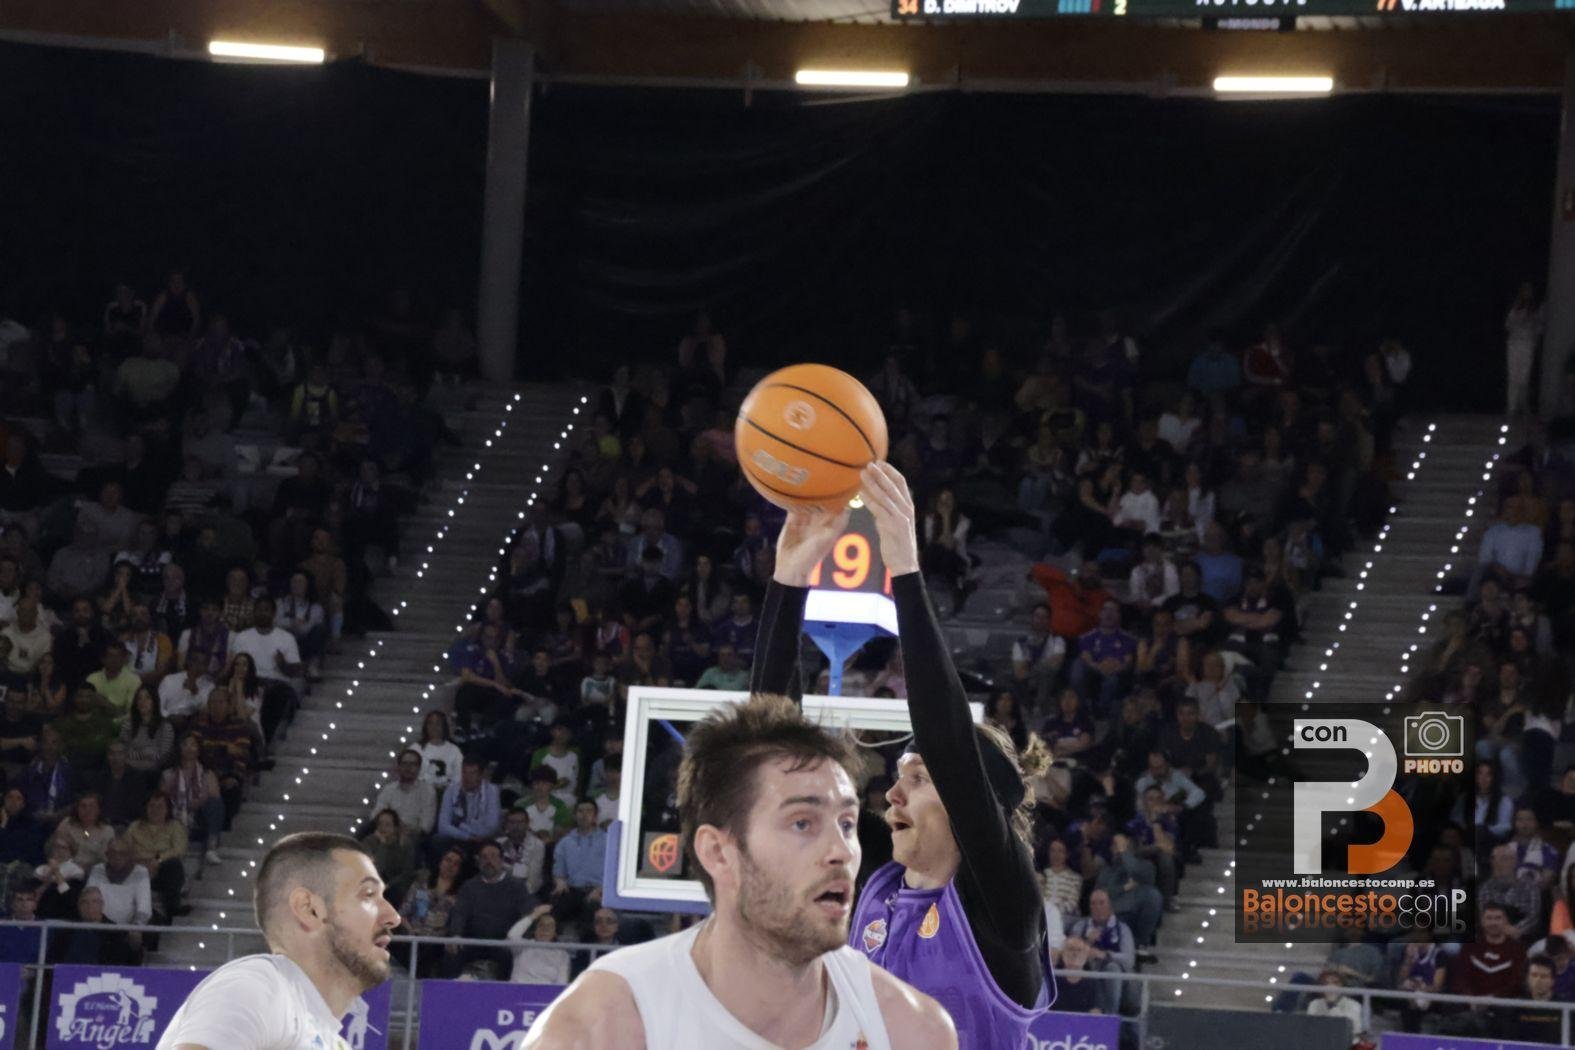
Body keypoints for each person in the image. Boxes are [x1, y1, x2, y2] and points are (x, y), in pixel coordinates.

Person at [762, 464, 1056, 1047]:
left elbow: (948, 744)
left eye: (919, 779)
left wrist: (904, 568)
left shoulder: (1003, 906)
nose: (891, 794)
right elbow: (774, 759)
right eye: (901, 775)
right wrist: (789, 580)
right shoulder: (874, 878)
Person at [524, 692, 956, 1049]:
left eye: (846, 823)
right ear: (717, 852)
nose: (841, 851)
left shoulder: (911, 1030)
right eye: (802, 823)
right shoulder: (600, 1028)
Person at [157, 832, 400, 1048]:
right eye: (368, 895)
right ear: (309, 909)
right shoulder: (260, 987)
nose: (393, 917)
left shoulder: (332, 1040)